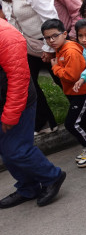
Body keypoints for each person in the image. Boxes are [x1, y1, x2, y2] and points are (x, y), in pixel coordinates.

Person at [0, 17, 66, 208]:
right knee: (7, 150)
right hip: (3, 100)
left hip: (16, 101)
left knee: (16, 150)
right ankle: (28, 187)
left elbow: (18, 78)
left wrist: (11, 114)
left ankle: (52, 176)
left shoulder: (6, 35)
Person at [0, 0, 59, 133]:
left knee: (62, 80)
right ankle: (45, 123)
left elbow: (50, 18)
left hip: (47, 42)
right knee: (29, 85)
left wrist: (49, 47)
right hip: (24, 46)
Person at [40, 18, 86, 164]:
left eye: (55, 36)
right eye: (47, 37)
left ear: (64, 34)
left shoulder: (70, 51)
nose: (51, 40)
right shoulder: (60, 49)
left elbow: (72, 76)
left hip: (81, 93)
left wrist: (55, 67)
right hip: (73, 93)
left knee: (71, 123)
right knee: (81, 120)